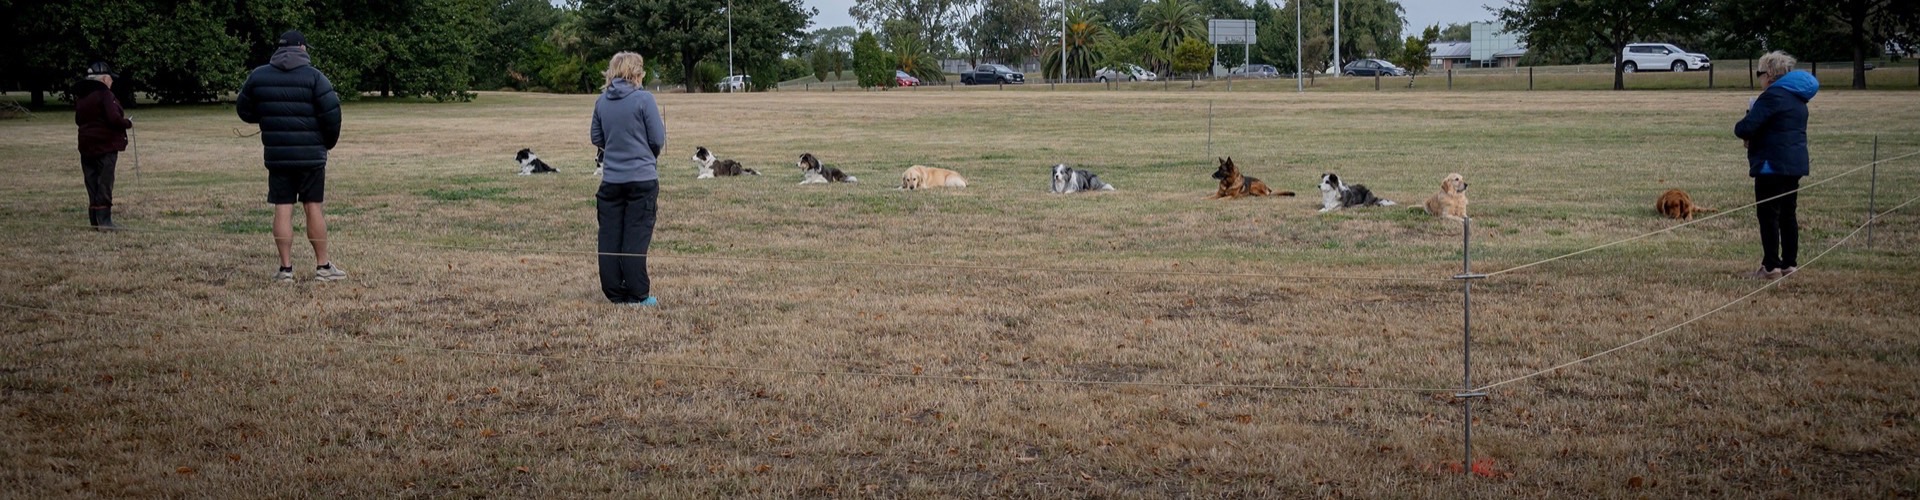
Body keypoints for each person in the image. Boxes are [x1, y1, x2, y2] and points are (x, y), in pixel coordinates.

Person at [237, 30, 345, 283]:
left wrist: (268, 117)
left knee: (283, 208)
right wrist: (327, 144)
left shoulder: (258, 76)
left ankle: (286, 269)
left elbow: (244, 110)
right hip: (311, 156)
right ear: (302, 49)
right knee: (313, 207)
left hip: (278, 156)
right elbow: (332, 115)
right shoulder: (315, 78)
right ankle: (323, 266)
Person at [590, 52, 666, 306]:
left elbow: (596, 137)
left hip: (611, 180)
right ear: (637, 72)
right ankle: (637, 294)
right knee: (636, 235)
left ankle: (614, 291)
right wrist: (644, 153)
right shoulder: (644, 99)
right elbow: (657, 139)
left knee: (610, 235)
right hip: (642, 179)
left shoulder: (602, 102)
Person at [1734, 51, 1818, 279]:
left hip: (1771, 165)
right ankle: (1789, 263)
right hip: (1794, 164)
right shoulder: (1798, 98)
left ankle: (1771, 266)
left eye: (1760, 73)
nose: (1759, 78)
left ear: (1769, 74)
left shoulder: (1772, 96)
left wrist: (1748, 117)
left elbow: (1745, 128)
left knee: (1769, 215)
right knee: (1788, 214)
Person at [74, 61, 133, 231]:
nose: (112, 82)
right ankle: (105, 221)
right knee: (105, 182)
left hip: (86, 145)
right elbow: (113, 119)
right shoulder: (104, 94)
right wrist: (127, 123)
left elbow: (78, 120)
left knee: (92, 182)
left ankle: (94, 220)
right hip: (105, 146)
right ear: (105, 79)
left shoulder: (82, 96)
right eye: (111, 79)